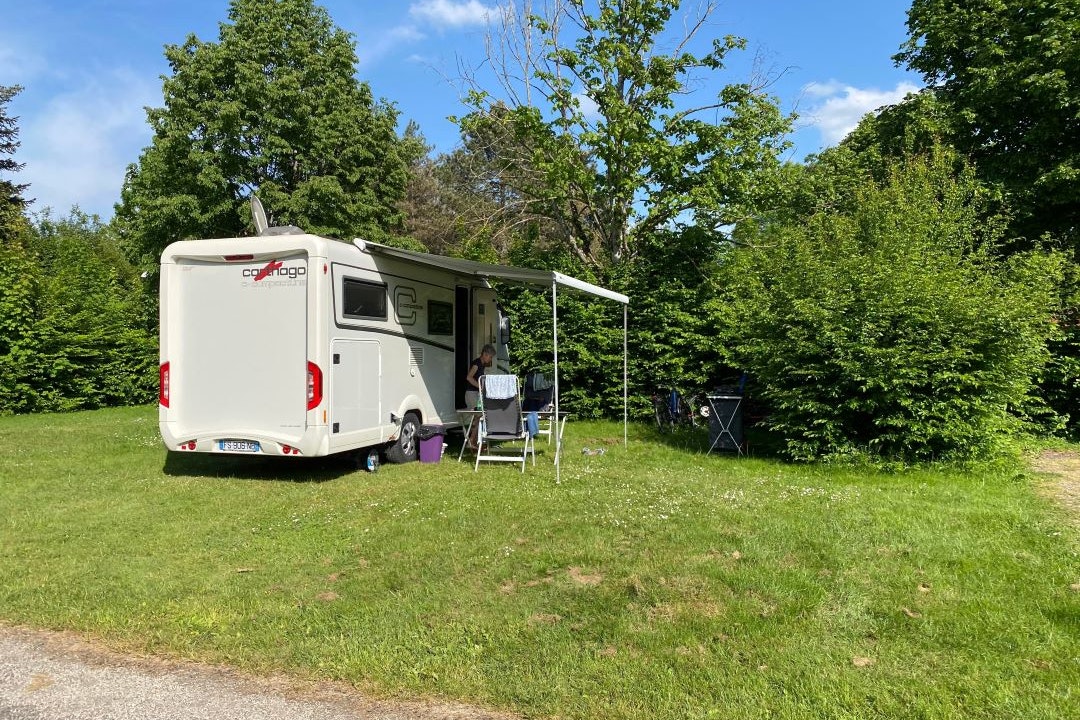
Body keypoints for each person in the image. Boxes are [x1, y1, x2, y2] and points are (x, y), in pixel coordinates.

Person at [464, 344, 496, 449]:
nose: (490, 359)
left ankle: (473, 442)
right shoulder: (477, 364)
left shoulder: (482, 364)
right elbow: (469, 377)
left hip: (475, 393)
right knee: (477, 417)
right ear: (485, 354)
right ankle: (472, 442)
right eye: (490, 357)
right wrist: (480, 386)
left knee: (478, 417)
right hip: (471, 393)